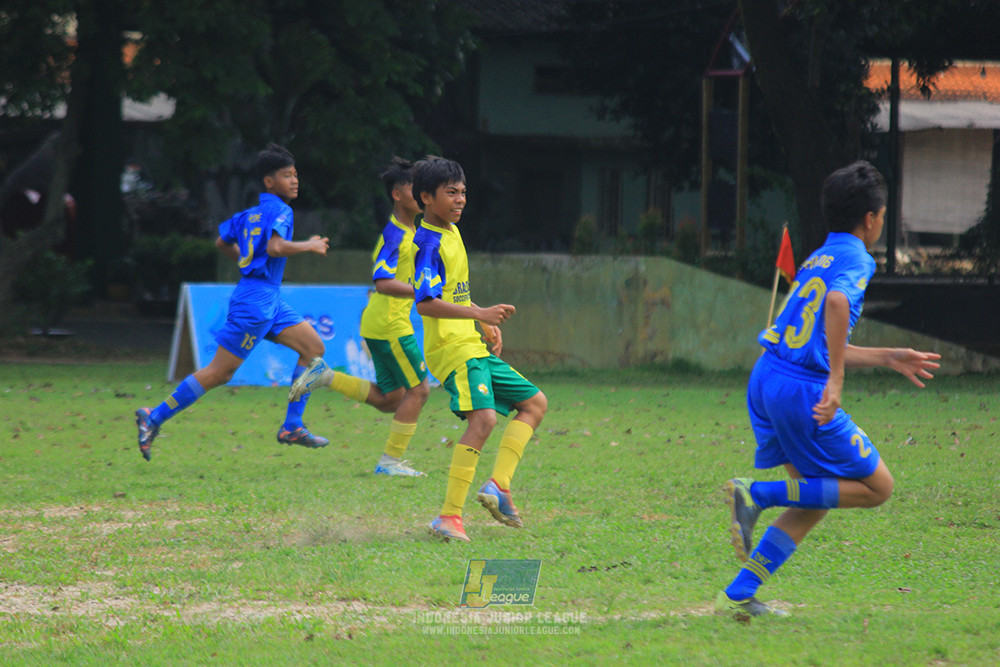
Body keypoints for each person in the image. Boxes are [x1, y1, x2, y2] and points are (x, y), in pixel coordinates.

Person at [715, 160, 942, 616]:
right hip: (801, 391)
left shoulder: (819, 256)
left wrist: (885, 356)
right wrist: (836, 380)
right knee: (878, 487)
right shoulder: (857, 258)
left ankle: (742, 592)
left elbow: (815, 341)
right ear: (872, 217)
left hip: (767, 377)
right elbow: (838, 305)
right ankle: (755, 494)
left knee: (814, 497)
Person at [135, 143, 331, 460]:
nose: (294, 181)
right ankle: (153, 416)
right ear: (269, 182)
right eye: (286, 176)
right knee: (219, 373)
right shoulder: (282, 210)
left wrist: (247, 260)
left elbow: (221, 242)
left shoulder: (247, 215)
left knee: (313, 348)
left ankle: (292, 425)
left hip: (266, 296)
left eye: (296, 175)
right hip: (256, 301)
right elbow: (277, 248)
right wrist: (308, 245)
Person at [405, 156, 547, 543]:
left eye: (463, 192)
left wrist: (481, 322)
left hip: (469, 342)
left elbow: (456, 291)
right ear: (426, 197)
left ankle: (499, 486)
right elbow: (426, 302)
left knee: (534, 403)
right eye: (451, 192)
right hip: (451, 348)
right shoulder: (429, 242)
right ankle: (448, 517)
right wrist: (479, 312)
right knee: (482, 421)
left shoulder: (450, 231)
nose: (460, 199)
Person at [288, 157, 431, 476]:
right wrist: (420, 291)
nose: (422, 194)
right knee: (420, 391)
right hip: (390, 325)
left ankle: (325, 376)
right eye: (415, 189)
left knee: (390, 399)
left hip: (381, 323)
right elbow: (382, 281)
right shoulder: (394, 235)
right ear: (397, 194)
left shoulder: (410, 231)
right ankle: (390, 463)